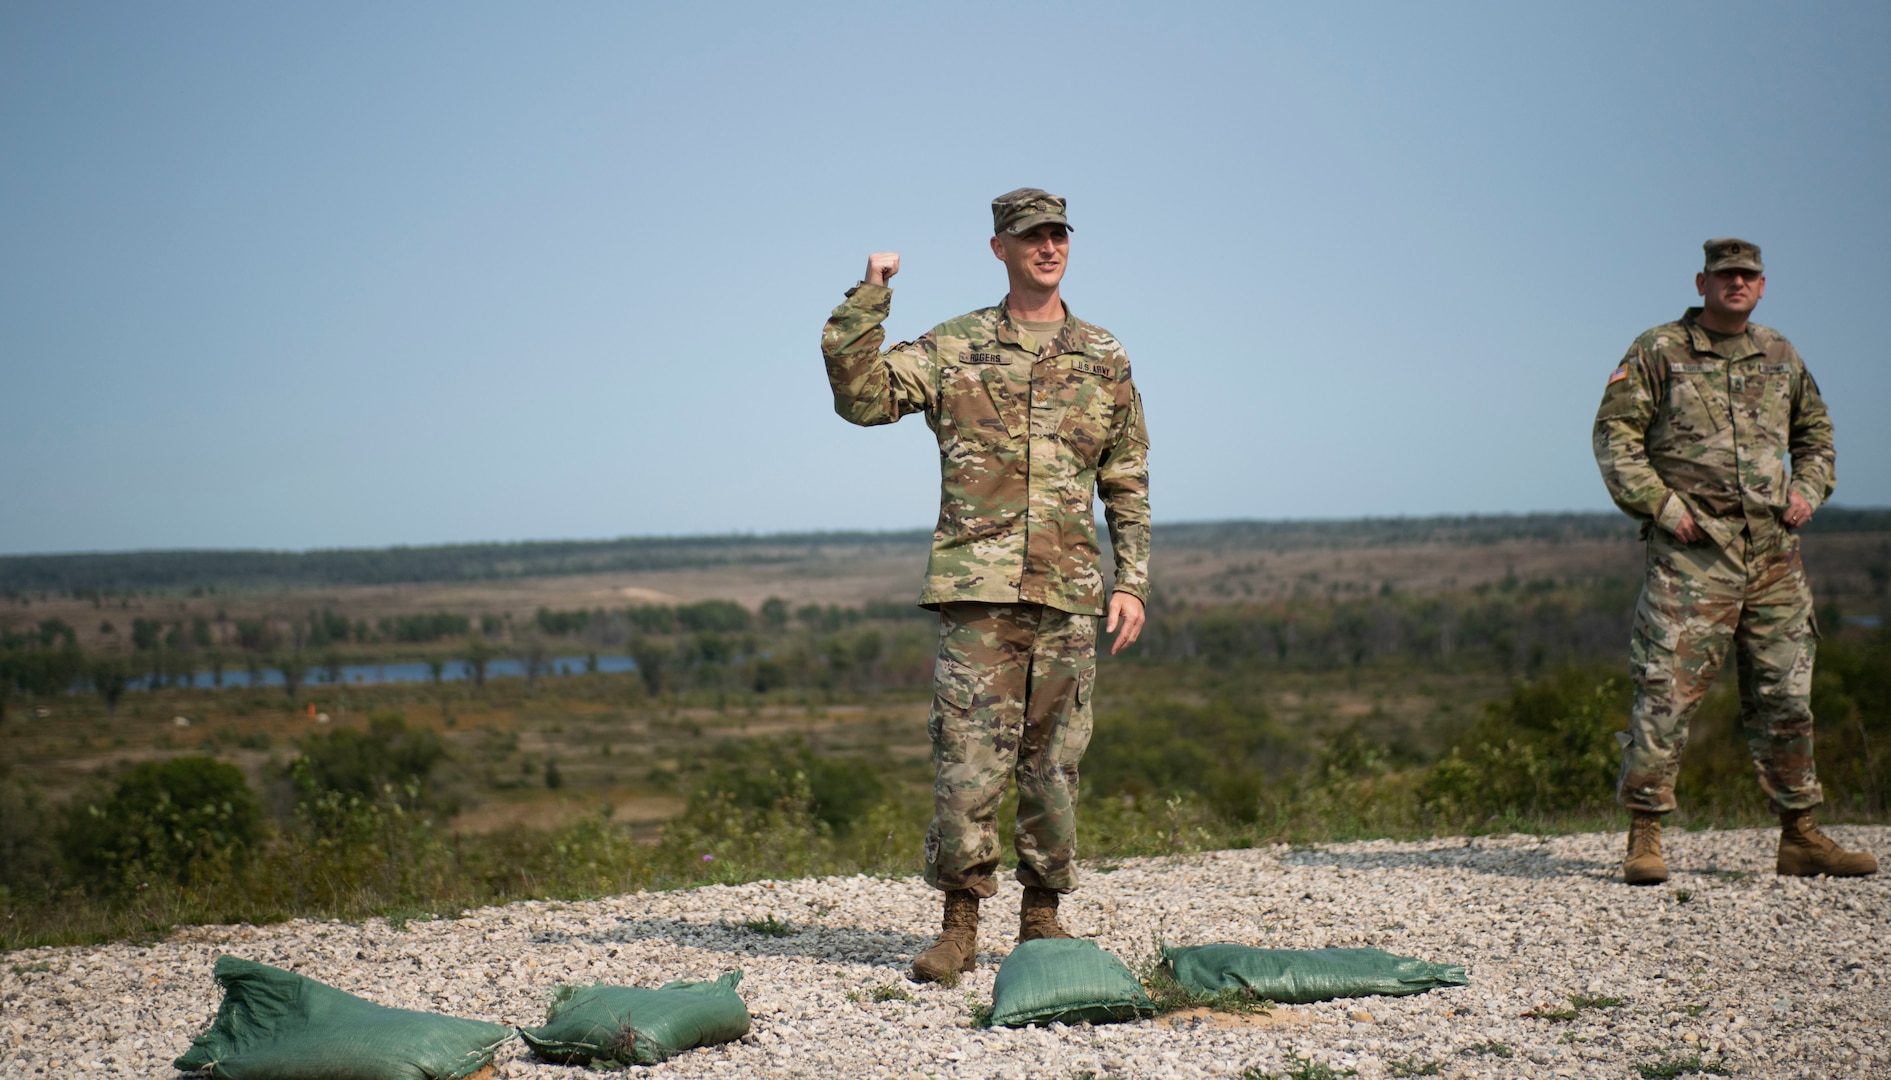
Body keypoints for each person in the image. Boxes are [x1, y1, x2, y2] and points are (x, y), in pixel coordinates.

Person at [820, 188, 1152, 980]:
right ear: (998, 248)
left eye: (1057, 234)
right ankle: (958, 927)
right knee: (968, 762)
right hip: (979, 591)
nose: (1047, 246)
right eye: (1029, 236)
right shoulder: (956, 346)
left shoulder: (1103, 355)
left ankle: (1041, 919)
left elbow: (1127, 477)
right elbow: (861, 398)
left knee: (1055, 763)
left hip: (1069, 592)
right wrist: (870, 295)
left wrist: (1131, 579)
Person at [1593, 237, 1876, 885]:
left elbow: (1815, 432)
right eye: (1724, 275)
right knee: (1664, 695)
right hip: (1693, 556)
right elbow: (1614, 438)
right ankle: (1644, 837)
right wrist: (1661, 508)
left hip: (1773, 558)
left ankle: (1799, 835)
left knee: (1786, 695)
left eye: (1747, 275)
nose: (1736, 283)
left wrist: (1808, 488)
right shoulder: (1658, 350)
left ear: (1761, 284)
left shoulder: (1779, 355)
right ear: (1701, 282)